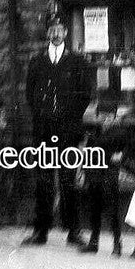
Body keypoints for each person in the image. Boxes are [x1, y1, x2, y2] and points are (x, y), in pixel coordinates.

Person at [22, 14, 92, 247]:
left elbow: (85, 96)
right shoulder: (37, 61)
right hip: (43, 131)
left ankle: (74, 232)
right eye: (52, 29)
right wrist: (43, 116)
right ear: (47, 33)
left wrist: (67, 117)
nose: (56, 33)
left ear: (66, 33)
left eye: (60, 29)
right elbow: (30, 95)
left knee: (68, 181)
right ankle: (40, 232)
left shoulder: (77, 61)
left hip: (68, 131)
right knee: (43, 182)